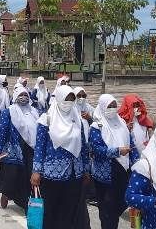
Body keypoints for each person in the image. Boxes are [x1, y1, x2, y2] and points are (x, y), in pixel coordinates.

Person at [31, 86, 91, 229]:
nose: (69, 102)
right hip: (52, 176)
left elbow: (83, 146)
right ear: (58, 98)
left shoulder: (77, 120)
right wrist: (36, 171)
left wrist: (86, 169)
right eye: (66, 98)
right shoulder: (46, 120)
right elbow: (39, 148)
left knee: (70, 212)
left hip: (74, 175)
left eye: (72, 99)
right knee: (52, 212)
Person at [90, 94, 138, 229]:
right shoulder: (96, 126)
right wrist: (116, 151)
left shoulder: (122, 123)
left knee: (119, 206)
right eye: (108, 106)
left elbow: (131, 145)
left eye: (114, 106)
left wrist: (136, 164)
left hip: (123, 172)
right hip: (105, 175)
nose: (112, 109)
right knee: (107, 210)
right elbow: (96, 149)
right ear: (102, 107)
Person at [0, 87, 39, 211]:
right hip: (12, 150)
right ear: (16, 96)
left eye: (26, 95)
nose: (23, 97)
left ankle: (25, 203)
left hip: (30, 150)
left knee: (27, 176)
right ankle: (6, 194)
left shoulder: (34, 112)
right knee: (11, 176)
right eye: (21, 95)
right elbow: (1, 132)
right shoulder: (8, 112)